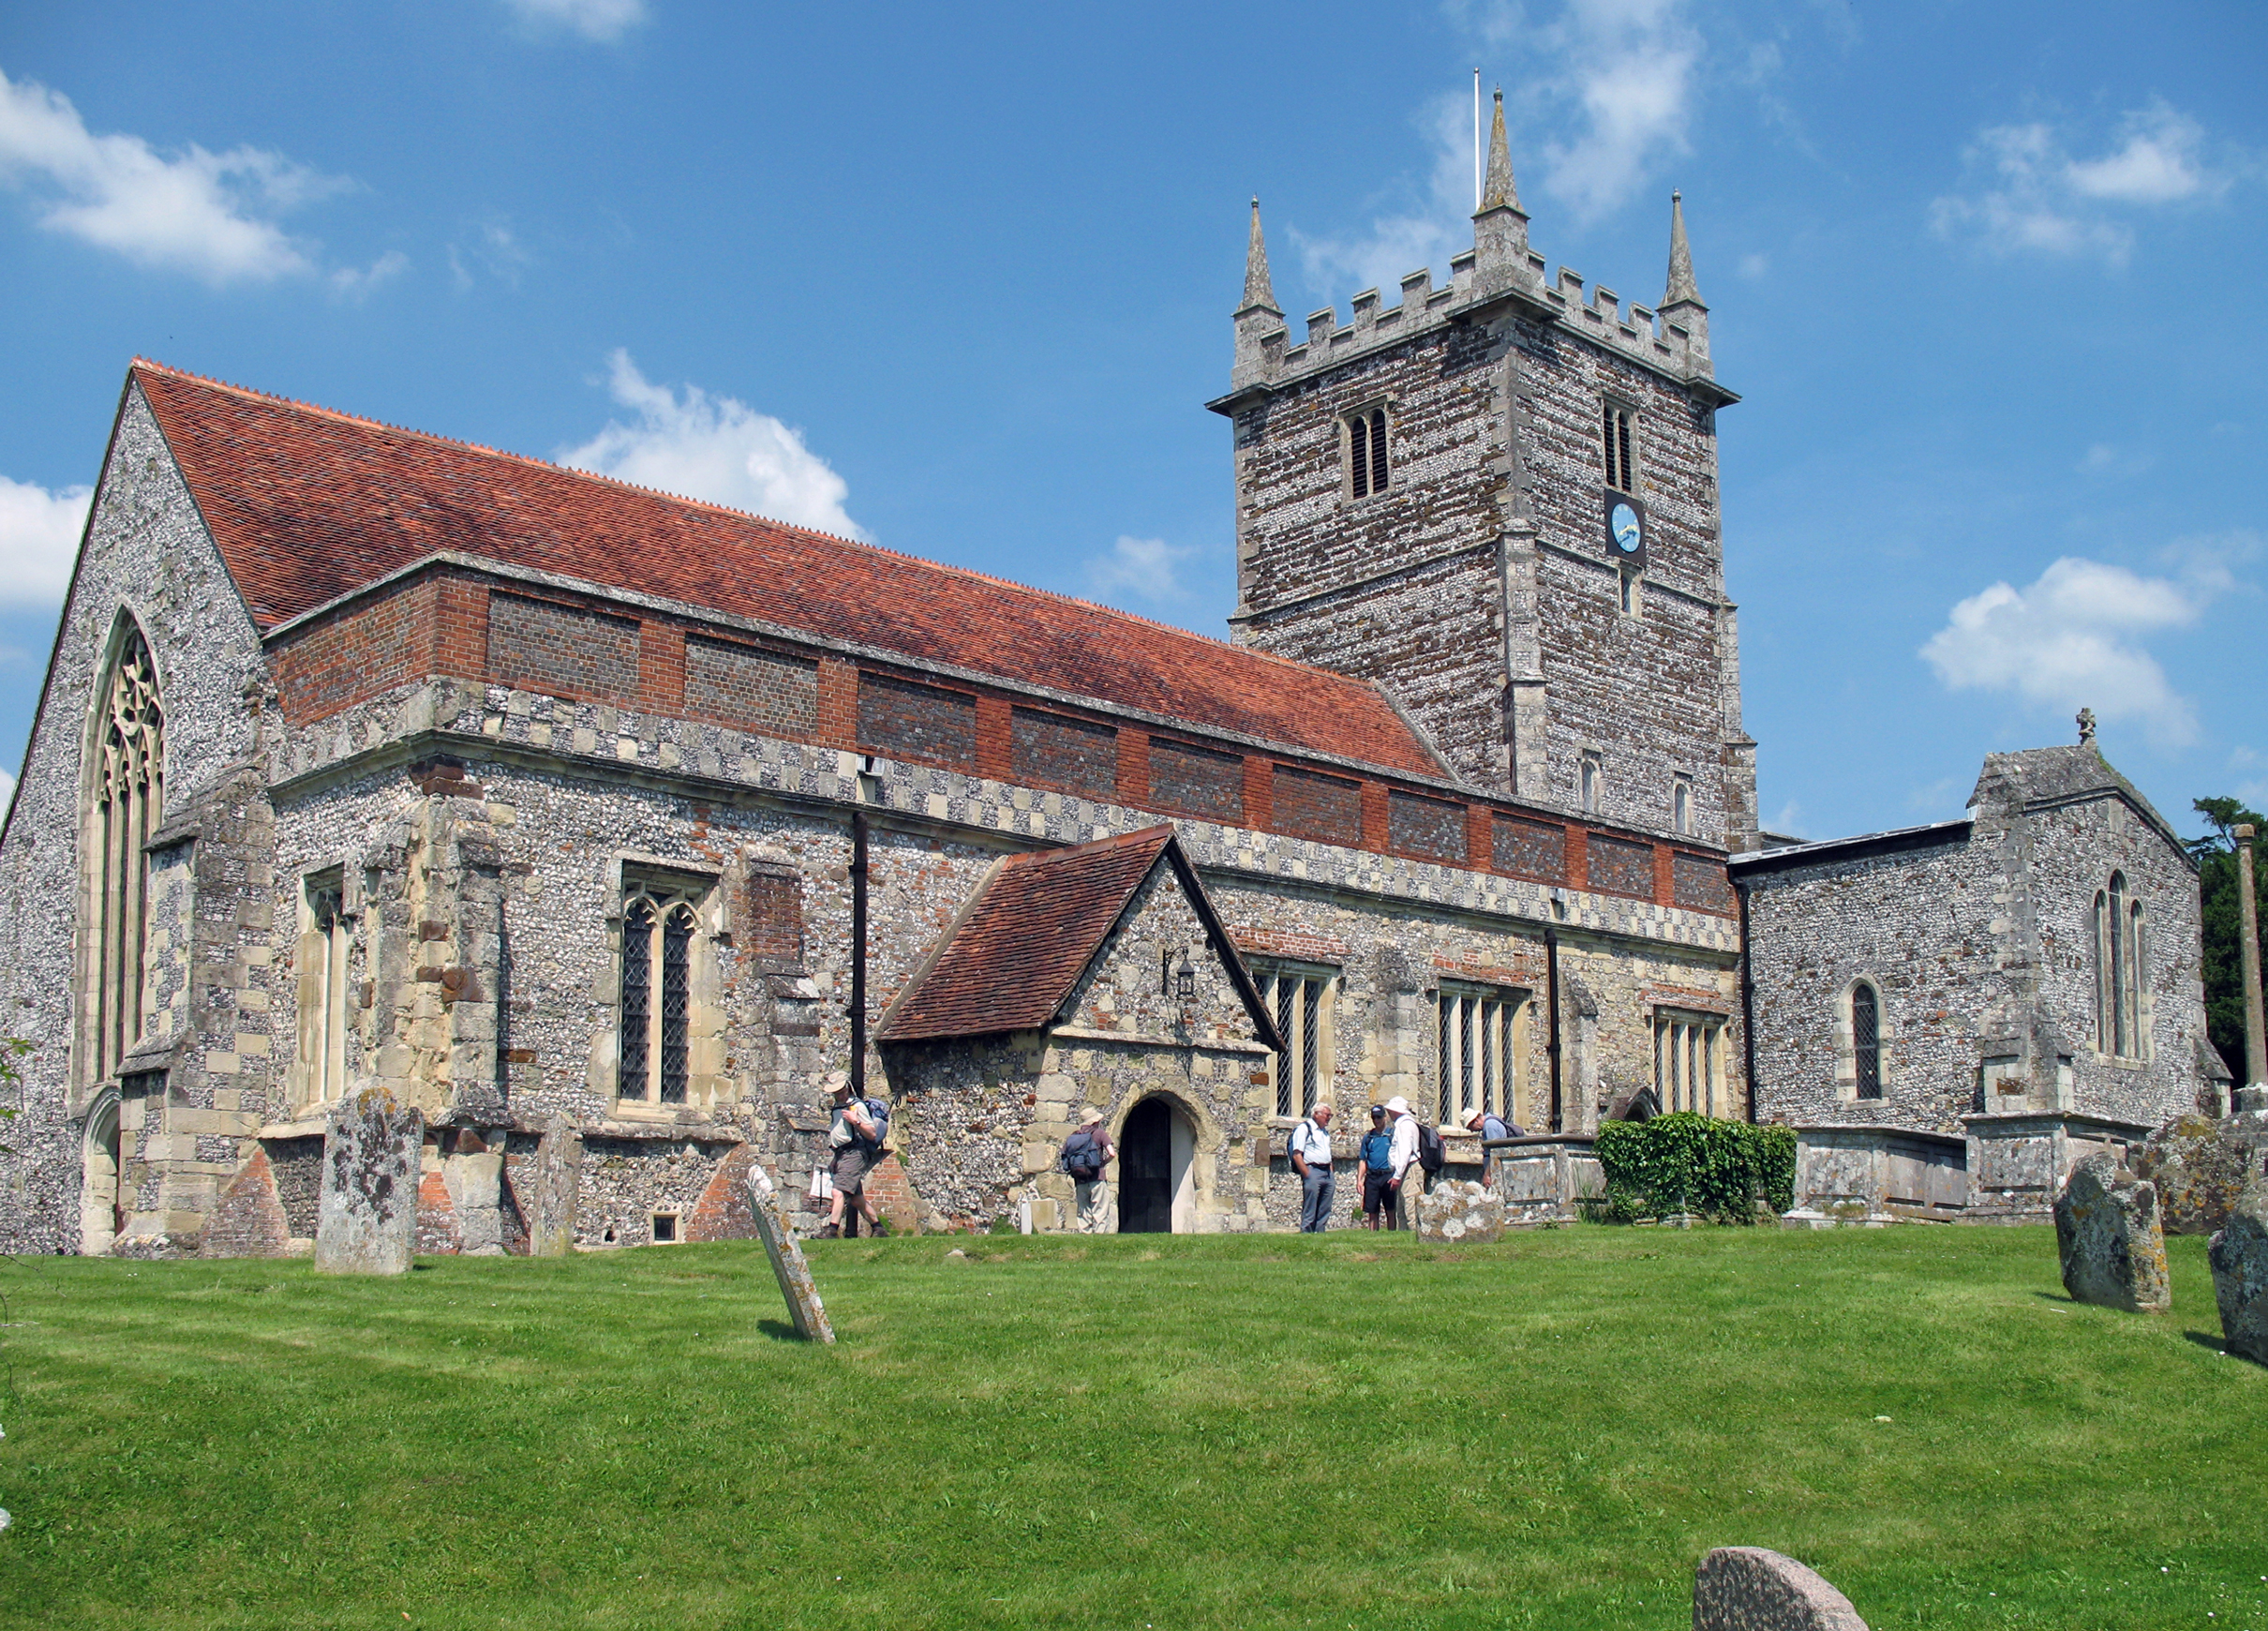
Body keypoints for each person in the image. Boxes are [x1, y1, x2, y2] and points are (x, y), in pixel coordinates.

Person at [822, 1078, 882, 1238]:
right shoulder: (837, 1107)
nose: (838, 1095)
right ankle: (878, 1228)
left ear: (847, 1088)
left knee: (837, 1191)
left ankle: (832, 1230)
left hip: (854, 1153)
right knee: (856, 1199)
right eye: (836, 1092)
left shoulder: (857, 1106)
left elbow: (872, 1133)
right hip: (841, 1154)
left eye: (841, 1091)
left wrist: (855, 1121)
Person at [1062, 1105, 1115, 1233]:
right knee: (1100, 1209)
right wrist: (1103, 1163)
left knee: (1083, 1210)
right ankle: (1099, 1237)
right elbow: (1112, 1153)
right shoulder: (1099, 1133)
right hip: (1097, 1177)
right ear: (1096, 1121)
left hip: (1080, 1179)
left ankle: (1084, 1235)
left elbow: (1065, 1156)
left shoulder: (1074, 1136)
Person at [1289, 1101, 1335, 1232]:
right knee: (1311, 1205)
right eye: (1327, 1115)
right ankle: (1306, 1232)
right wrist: (1307, 1174)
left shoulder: (1324, 1132)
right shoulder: (1304, 1129)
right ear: (1316, 1114)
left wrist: (1331, 1172)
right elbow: (1297, 1154)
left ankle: (1320, 1232)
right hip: (1313, 1171)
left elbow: (1327, 1153)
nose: (1329, 1118)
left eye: (1330, 1115)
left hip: (1326, 1172)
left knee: (1325, 1206)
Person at [1383, 1095, 1422, 1223]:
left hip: (1408, 1169)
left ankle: (1415, 1234)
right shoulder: (1403, 1125)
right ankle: (1406, 1234)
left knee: (1410, 1205)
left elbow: (1404, 1151)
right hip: (1405, 1168)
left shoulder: (1405, 1125)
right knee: (1402, 1207)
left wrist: (1398, 1175)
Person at [1358, 1104, 1396, 1230]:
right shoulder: (1368, 1137)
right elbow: (1363, 1159)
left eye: (1379, 1117)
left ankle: (1392, 1233)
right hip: (1373, 1176)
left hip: (1388, 1175)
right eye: (1374, 1118)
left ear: (1385, 1117)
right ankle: (1373, 1234)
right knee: (1372, 1211)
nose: (1377, 1120)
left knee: (1390, 1210)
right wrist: (1359, 1180)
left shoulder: (1392, 1135)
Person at [1467, 1105, 1515, 1185]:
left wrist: (1487, 1175)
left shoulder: (1490, 1126)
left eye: (1470, 1128)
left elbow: (1495, 1152)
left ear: (1476, 1121)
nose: (1472, 1131)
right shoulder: (1491, 1121)